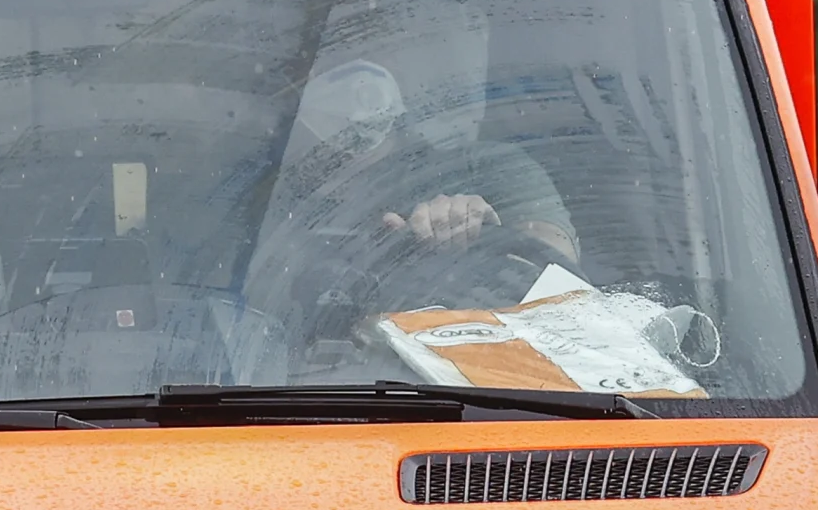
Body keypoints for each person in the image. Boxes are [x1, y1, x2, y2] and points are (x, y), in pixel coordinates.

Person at [247, 55, 580, 333]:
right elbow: (232, 312)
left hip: (469, 380)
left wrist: (479, 237)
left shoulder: (485, 166)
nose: (354, 77)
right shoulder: (263, 197)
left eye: (377, 45)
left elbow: (555, 263)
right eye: (334, 48)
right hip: (285, 382)